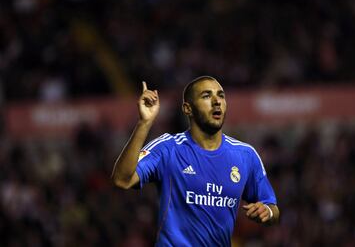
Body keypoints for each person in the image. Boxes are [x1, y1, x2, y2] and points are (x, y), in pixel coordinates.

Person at [111, 76, 280, 246]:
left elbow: (272, 208)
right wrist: (144, 123)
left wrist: (267, 212)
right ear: (187, 109)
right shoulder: (168, 148)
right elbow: (122, 179)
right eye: (206, 96)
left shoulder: (245, 156)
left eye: (221, 95)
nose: (216, 101)